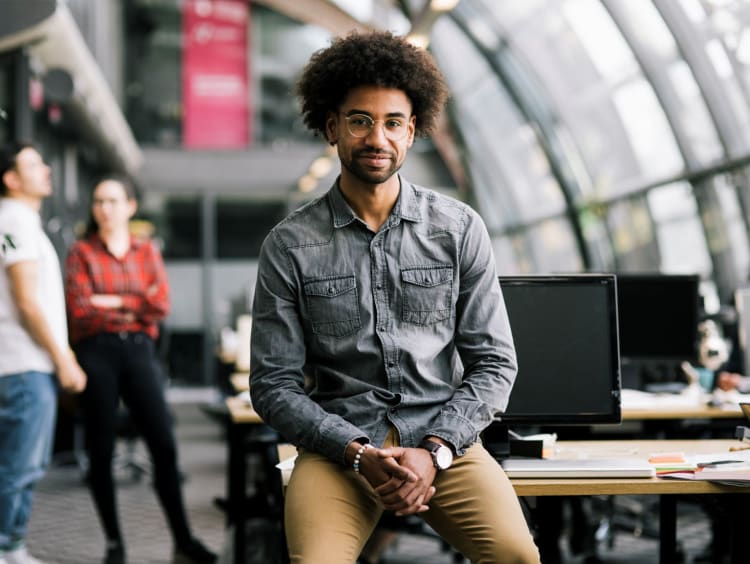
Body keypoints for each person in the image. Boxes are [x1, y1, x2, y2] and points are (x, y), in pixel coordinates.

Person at [250, 31, 540, 564]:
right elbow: (272, 385)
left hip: (443, 443)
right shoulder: (289, 245)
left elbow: (494, 363)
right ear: (332, 127)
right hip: (338, 449)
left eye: (392, 123)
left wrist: (437, 450)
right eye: (360, 120)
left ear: (412, 132)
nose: (376, 137)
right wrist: (357, 452)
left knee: (517, 556)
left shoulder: (457, 229)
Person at [64, 177, 216, 564]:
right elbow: (80, 310)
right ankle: (114, 543)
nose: (105, 208)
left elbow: (159, 305)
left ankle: (183, 541)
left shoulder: (145, 250)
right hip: (94, 353)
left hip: (137, 350)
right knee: (100, 449)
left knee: (163, 444)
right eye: (99, 200)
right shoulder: (81, 252)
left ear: (130, 206)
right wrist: (133, 301)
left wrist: (108, 300)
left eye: (113, 200)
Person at [0, 142, 87, 564]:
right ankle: (7, 548)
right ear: (11, 179)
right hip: (22, 365)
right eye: (34, 164)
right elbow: (26, 302)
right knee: (20, 466)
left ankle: (13, 547)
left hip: (23, 364)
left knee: (21, 465)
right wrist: (63, 358)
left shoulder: (21, 221)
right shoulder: (14, 218)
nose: (46, 169)